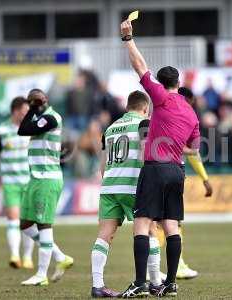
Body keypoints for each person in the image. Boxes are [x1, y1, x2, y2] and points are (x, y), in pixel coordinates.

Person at [120, 18, 200, 298]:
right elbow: (194, 147)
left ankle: (141, 282)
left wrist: (128, 39)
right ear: (178, 83)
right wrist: (176, 146)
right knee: (171, 225)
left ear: (162, 84)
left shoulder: (161, 98)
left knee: (142, 223)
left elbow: (140, 67)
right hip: (177, 170)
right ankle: (171, 283)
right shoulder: (191, 113)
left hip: (155, 169)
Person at [90, 90, 163, 297]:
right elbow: (145, 157)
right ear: (145, 108)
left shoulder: (111, 128)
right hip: (133, 186)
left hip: (109, 186)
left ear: (127, 107)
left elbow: (102, 166)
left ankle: (97, 285)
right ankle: (156, 281)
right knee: (149, 230)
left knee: (104, 235)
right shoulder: (144, 124)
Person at [155, 87, 213, 280]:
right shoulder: (181, 116)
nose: (190, 108)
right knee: (168, 223)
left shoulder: (160, 112)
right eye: (190, 103)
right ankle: (166, 268)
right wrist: (204, 178)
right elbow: (193, 152)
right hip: (170, 172)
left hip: (153, 171)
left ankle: (163, 268)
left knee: (161, 223)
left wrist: (204, 178)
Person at [18, 89, 73, 286]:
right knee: (25, 224)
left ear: (44, 101)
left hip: (47, 179)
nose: (34, 106)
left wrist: (32, 109)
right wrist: (33, 109)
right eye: (32, 103)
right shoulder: (40, 118)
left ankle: (41, 275)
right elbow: (25, 128)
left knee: (43, 224)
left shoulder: (51, 118)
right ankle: (60, 257)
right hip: (35, 178)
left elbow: (22, 130)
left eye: (36, 102)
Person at [0, 97, 34, 269]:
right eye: (24, 112)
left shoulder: (31, 129)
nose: (26, 115)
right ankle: (15, 255)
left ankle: (28, 256)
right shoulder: (2, 130)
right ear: (15, 111)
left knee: (29, 221)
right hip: (10, 182)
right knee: (13, 219)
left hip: (30, 181)